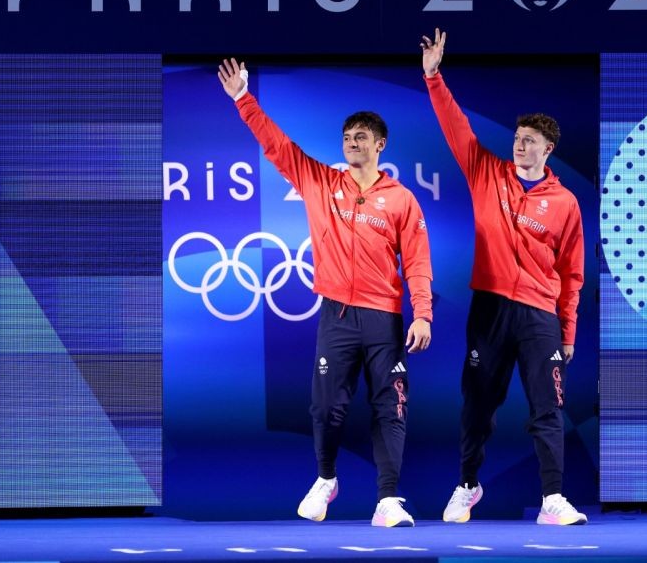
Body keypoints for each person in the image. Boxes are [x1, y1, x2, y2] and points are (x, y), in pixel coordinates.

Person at [217, 59, 433, 527]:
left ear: (380, 145)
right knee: (326, 408)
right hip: (336, 315)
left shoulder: (401, 200)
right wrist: (242, 99)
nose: (352, 144)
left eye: (361, 138)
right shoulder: (320, 182)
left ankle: (389, 499)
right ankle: (326, 479)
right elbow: (277, 147)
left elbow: (417, 261)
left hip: (384, 319)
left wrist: (423, 315)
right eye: (347, 138)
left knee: (390, 405)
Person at [419, 30, 587, 525]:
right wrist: (433, 76)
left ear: (548, 149)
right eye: (516, 138)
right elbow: (456, 127)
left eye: (529, 141)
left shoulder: (565, 204)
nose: (519, 145)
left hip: (539, 316)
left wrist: (568, 332)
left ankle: (552, 500)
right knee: (477, 405)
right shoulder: (485, 172)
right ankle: (467, 486)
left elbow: (572, 274)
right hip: (490, 309)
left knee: (547, 409)